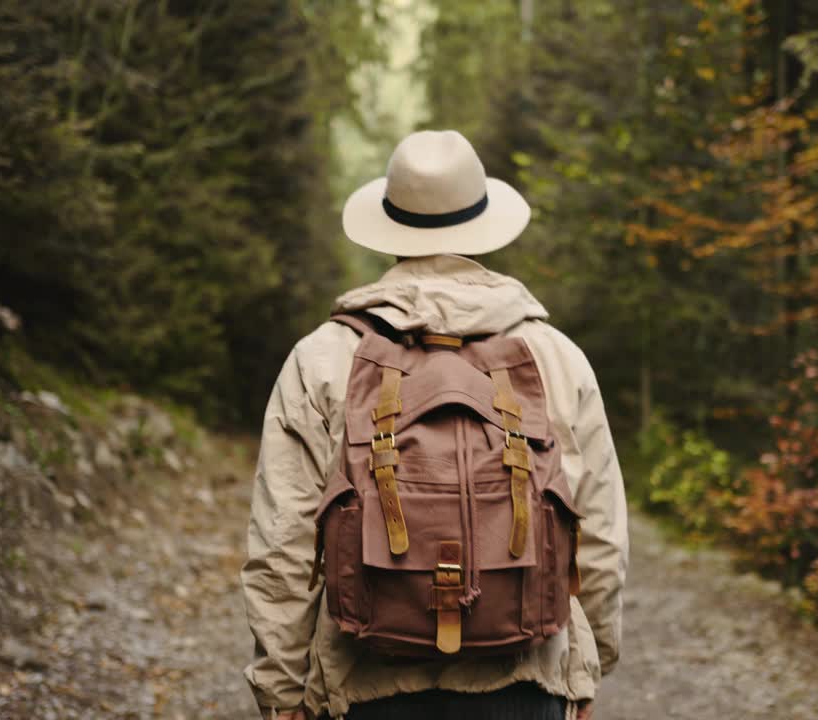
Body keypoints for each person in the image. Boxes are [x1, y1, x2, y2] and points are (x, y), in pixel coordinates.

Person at [241, 130, 628, 720]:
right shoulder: (553, 356)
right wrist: (587, 663)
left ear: (389, 227)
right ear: (484, 225)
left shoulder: (322, 357)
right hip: (524, 682)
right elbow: (598, 533)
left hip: (363, 681)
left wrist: (281, 691)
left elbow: (283, 542)